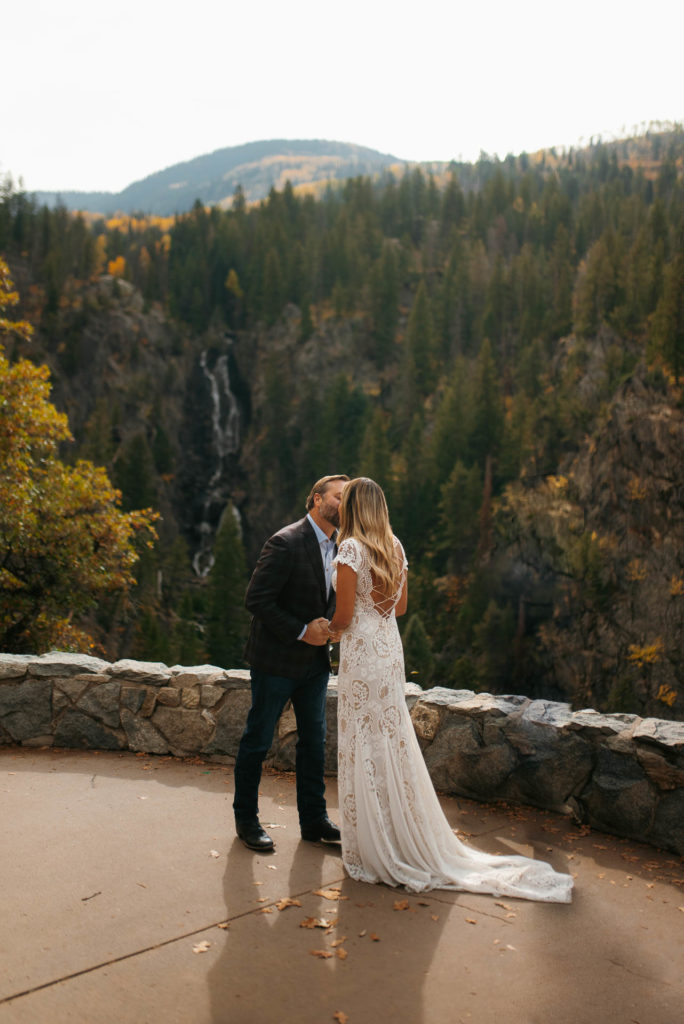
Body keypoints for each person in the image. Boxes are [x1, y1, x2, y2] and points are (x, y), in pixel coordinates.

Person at [327, 478, 573, 902]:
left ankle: (376, 844)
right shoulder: (395, 547)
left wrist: (320, 633)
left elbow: (345, 617)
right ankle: (399, 832)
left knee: (364, 740)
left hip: (363, 653)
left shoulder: (350, 549)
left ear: (352, 508)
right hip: (388, 647)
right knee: (390, 737)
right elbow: (399, 608)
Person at [233, 474, 349, 851]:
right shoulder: (284, 542)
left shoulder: (342, 546)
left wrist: (330, 630)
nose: (344, 504)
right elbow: (257, 600)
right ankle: (246, 821)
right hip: (275, 660)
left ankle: (314, 820)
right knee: (258, 740)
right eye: (338, 496)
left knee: (315, 743)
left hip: (315, 665)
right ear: (316, 500)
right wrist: (302, 630)